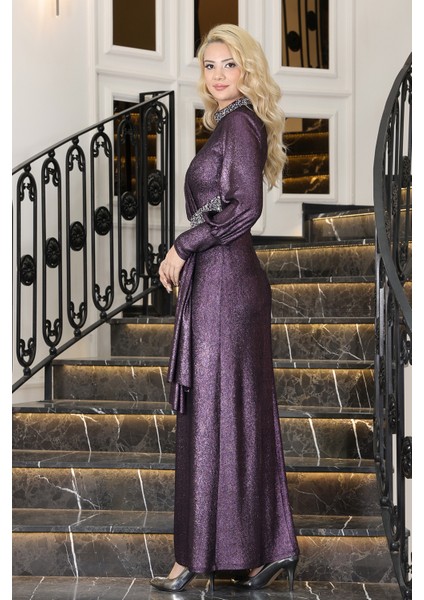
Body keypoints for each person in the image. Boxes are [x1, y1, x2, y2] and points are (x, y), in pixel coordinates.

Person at [150, 23, 299, 593]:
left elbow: (243, 207)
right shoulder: (233, 123)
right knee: (230, 416)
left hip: (226, 286)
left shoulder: (239, 123)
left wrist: (182, 246)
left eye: (228, 64)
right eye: (209, 65)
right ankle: (253, 551)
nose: (217, 75)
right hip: (224, 283)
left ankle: (201, 556)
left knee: (219, 415)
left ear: (246, 70)